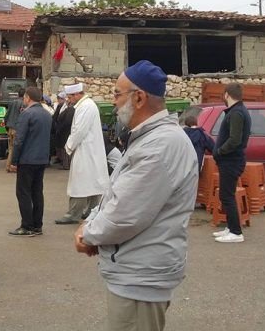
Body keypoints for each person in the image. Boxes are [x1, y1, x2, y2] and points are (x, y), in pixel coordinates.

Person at [75, 60, 198, 331]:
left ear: (139, 97)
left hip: (141, 279)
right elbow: (116, 192)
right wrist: (92, 221)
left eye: (117, 94)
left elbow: (125, 214)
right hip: (134, 271)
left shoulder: (161, 144)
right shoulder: (147, 138)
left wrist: (88, 234)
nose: (114, 101)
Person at [55, 84, 109, 225]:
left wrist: (68, 146)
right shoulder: (86, 105)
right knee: (91, 182)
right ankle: (91, 210)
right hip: (89, 151)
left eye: (70, 97)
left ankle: (74, 213)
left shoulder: (85, 107)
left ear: (78, 94)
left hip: (86, 150)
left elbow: (79, 130)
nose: (69, 99)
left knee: (80, 183)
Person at [8, 87, 52, 237]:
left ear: (27, 98)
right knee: (37, 192)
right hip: (41, 159)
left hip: (27, 159)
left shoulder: (27, 114)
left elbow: (19, 140)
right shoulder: (47, 114)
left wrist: (14, 160)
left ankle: (26, 225)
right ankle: (37, 225)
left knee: (23, 192)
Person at [212, 83, 252, 243]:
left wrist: (219, 151)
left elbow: (235, 140)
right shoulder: (237, 111)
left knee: (227, 195)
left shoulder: (237, 113)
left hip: (231, 161)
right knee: (226, 194)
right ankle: (230, 227)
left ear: (227, 94)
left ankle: (236, 232)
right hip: (230, 160)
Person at [4, 88, 25, 172]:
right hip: (18, 128)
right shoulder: (23, 104)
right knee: (18, 148)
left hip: (10, 127)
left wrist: (6, 126)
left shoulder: (12, 102)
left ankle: (8, 166)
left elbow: (7, 115)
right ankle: (14, 166)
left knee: (11, 148)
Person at [52, 92, 74, 170]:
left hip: (65, 131)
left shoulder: (70, 109)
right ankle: (63, 162)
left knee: (65, 148)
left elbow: (67, 121)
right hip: (61, 130)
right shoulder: (62, 107)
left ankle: (66, 165)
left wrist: (60, 127)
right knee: (61, 148)